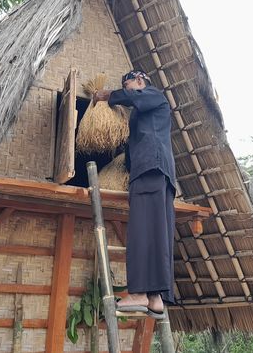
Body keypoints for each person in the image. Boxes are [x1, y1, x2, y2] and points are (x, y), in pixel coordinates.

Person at [93, 70, 176, 318]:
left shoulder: (152, 95)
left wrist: (108, 96)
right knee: (157, 232)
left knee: (140, 230)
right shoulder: (146, 115)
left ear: (140, 80)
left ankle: (139, 292)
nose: (125, 88)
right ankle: (155, 298)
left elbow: (134, 98)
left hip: (150, 168)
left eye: (126, 84)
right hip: (158, 171)